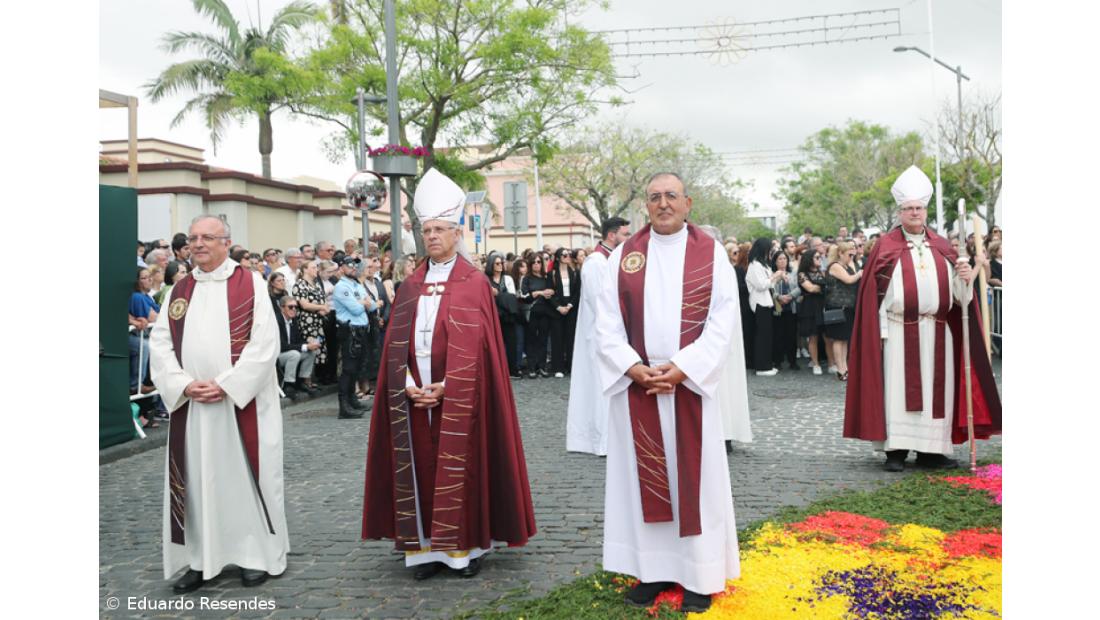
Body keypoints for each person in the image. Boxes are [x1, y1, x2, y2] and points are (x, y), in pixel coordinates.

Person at [361, 168, 536, 581]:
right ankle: (424, 550)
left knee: (464, 467)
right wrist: (407, 385)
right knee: (420, 468)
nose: (432, 236)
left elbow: (483, 351)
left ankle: (466, 550)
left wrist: (448, 386)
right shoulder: (410, 285)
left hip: (461, 397)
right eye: (427, 230)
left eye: (440, 229)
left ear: (457, 233)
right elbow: (394, 348)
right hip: (414, 397)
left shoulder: (474, 283)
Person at [593, 172, 740, 613]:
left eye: (671, 196)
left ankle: (700, 575)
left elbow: (723, 320)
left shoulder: (711, 254)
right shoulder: (625, 256)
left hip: (688, 385)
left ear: (687, 203)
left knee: (697, 485)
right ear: (646, 205)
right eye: (655, 197)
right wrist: (633, 367)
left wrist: (683, 369)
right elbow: (606, 322)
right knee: (645, 483)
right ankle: (652, 569)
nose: (663, 204)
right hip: (639, 385)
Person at [148, 215, 289, 593]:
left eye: (207, 237)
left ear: (226, 242)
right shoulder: (180, 290)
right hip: (193, 407)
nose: (198, 244)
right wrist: (183, 384)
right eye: (194, 237)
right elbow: (160, 344)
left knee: (244, 479)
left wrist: (227, 384)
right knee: (196, 481)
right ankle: (200, 559)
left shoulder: (251, 283)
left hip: (240, 405)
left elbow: (265, 343)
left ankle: (254, 555)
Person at [844, 165, 1002, 472]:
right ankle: (896, 450)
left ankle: (932, 451)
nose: (915, 213)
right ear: (900, 212)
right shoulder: (885, 247)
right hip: (898, 331)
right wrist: (880, 331)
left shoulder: (942, 245)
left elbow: (961, 299)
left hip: (938, 330)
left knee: (936, 392)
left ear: (926, 211)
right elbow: (873, 294)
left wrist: (966, 277)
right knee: (897, 392)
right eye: (909, 208)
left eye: (919, 208)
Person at [566, 216, 630, 456]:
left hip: (613, 333)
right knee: (599, 386)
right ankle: (601, 439)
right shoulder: (595, 262)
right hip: (599, 333)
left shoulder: (613, 259)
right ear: (612, 235)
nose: (628, 239)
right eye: (625, 234)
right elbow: (598, 301)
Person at [332, 256, 377, 419]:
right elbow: (356, 309)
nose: (353, 268)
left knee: (357, 368)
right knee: (348, 369)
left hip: (362, 330)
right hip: (350, 330)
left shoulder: (357, 285)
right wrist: (363, 303)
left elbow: (372, 306)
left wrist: (363, 303)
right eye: (349, 265)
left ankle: (352, 400)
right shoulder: (341, 287)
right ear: (342, 268)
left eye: (355, 266)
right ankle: (344, 406)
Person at [746, 238, 785, 376]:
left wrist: (777, 277)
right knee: (762, 336)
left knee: (767, 336)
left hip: (766, 302)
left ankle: (766, 365)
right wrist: (775, 276)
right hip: (759, 304)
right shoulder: (754, 265)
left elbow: (769, 284)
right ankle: (762, 367)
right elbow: (761, 285)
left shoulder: (763, 264)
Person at [824, 240, 862, 381]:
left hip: (847, 307)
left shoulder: (846, 265)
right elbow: (849, 280)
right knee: (838, 339)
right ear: (840, 253)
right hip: (837, 307)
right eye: (849, 255)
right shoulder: (835, 266)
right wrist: (860, 273)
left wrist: (852, 264)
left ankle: (845, 368)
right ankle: (840, 369)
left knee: (844, 339)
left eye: (853, 255)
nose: (851, 257)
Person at [291, 259, 330, 393]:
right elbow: (304, 304)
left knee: (318, 348)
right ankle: (305, 380)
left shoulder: (317, 284)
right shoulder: (300, 284)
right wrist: (321, 307)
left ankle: (312, 379)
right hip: (307, 322)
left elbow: (324, 301)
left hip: (318, 321)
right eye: (313, 267)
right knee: (310, 348)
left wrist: (323, 308)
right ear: (305, 270)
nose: (316, 270)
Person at [274, 296, 321, 398]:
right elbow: (282, 346)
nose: (294, 309)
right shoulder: (276, 321)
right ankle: (288, 385)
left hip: (289, 352)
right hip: (277, 355)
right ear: (282, 308)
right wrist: (305, 346)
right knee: (294, 354)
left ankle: (303, 381)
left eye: (295, 307)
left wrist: (309, 343)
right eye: (290, 307)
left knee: (311, 352)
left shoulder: (293, 320)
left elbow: (298, 340)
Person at [486, 252, 522, 378]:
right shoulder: (485, 279)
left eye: (501, 263)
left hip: (507, 316)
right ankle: (496, 370)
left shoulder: (507, 279)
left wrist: (497, 294)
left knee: (511, 343)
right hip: (492, 316)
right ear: (491, 265)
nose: (500, 265)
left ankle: (512, 369)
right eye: (497, 263)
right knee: (494, 344)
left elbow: (512, 297)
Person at [548, 247, 580, 378]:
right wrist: (558, 307)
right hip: (557, 309)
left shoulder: (575, 272)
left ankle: (572, 366)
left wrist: (570, 305)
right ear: (558, 258)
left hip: (571, 308)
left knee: (571, 337)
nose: (567, 257)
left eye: (569, 255)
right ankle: (558, 367)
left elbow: (578, 291)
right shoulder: (552, 274)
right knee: (557, 337)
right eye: (564, 255)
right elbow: (549, 293)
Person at [522, 253, 554, 378]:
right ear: (530, 264)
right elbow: (524, 296)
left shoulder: (546, 277)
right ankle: (531, 367)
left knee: (543, 340)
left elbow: (553, 291)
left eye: (539, 262)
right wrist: (539, 293)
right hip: (532, 312)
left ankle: (542, 366)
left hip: (545, 312)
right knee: (531, 340)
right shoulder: (527, 278)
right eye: (534, 262)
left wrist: (550, 291)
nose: (536, 264)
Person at [797, 251, 827, 375]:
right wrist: (822, 287)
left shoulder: (822, 272)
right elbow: (810, 288)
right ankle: (815, 363)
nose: (820, 259)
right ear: (810, 259)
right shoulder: (802, 274)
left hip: (823, 305)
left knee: (827, 337)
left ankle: (831, 363)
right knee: (813, 336)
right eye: (817, 257)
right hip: (810, 307)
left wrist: (820, 287)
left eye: (820, 257)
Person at [771, 251, 801, 371]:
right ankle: (777, 361)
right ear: (775, 261)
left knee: (791, 335)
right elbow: (770, 288)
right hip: (777, 307)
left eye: (785, 258)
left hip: (791, 307)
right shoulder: (772, 274)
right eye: (780, 259)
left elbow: (799, 287)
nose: (783, 261)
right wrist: (779, 297)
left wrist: (790, 296)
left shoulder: (793, 273)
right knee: (777, 335)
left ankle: (792, 361)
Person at [733, 242, 754, 366]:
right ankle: (747, 360)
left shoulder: (752, 267)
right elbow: (738, 287)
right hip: (744, 304)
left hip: (752, 303)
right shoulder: (737, 269)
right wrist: (751, 285)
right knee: (746, 332)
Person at [511, 258, 530, 370]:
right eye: (522, 266)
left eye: (526, 266)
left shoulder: (528, 279)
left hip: (527, 311)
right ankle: (517, 365)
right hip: (517, 313)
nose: (525, 268)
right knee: (519, 340)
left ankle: (528, 364)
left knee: (527, 339)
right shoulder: (512, 280)